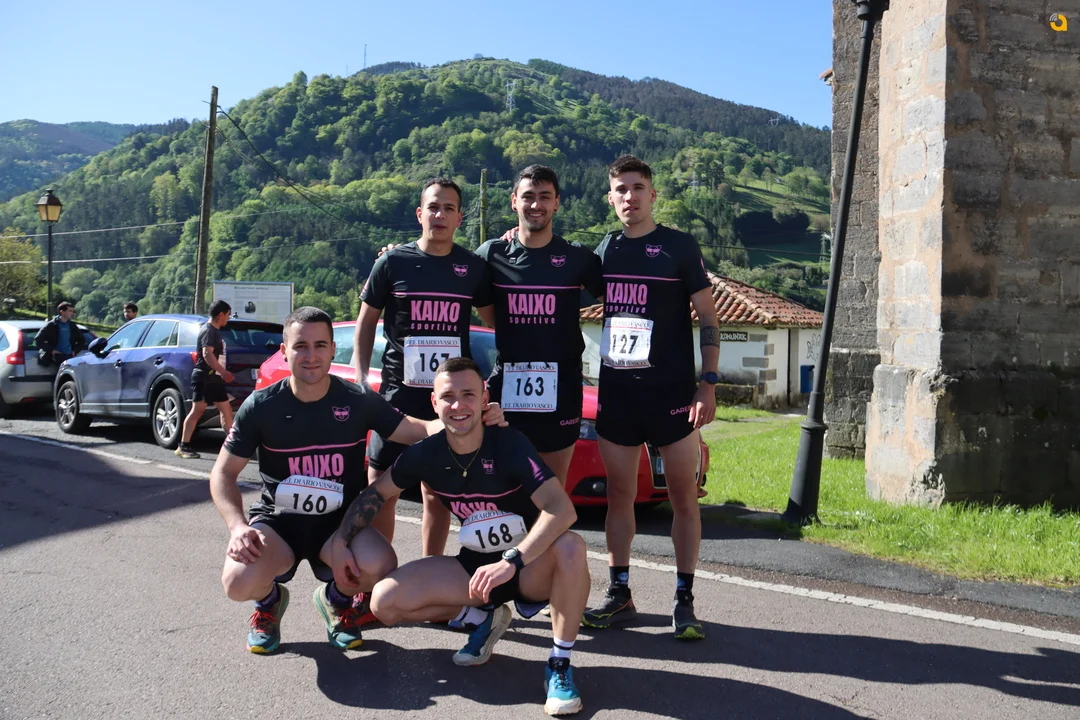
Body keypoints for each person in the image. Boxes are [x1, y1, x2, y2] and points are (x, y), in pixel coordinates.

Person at [209, 307, 506, 654]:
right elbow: (223, 473)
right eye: (301, 346)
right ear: (284, 350)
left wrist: (471, 417)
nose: (311, 355)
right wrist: (237, 527)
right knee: (237, 581)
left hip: (339, 525)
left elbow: (418, 429)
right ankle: (269, 603)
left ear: (333, 350)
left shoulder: (356, 399)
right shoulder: (260, 406)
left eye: (320, 345)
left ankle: (336, 601)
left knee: (380, 565)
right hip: (278, 523)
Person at [330, 357, 589, 716]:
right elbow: (376, 493)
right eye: (448, 397)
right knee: (384, 603)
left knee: (572, 546)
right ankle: (482, 618)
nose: (458, 405)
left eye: (468, 394)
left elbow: (562, 509)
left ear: (484, 399)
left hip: (528, 566)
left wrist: (512, 561)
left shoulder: (509, 443)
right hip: (475, 568)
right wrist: (340, 541)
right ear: (434, 403)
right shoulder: (425, 453)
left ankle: (559, 665)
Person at [582, 155, 720, 641]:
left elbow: (708, 317)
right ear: (611, 197)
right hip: (619, 394)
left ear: (652, 194)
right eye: (621, 189)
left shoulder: (679, 246)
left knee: (683, 498)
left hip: (672, 395)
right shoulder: (607, 249)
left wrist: (708, 383)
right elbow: (559, 281)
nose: (630, 197)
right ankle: (620, 592)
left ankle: (684, 599)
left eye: (638, 187)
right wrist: (513, 238)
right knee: (620, 496)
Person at [354, 177, 494, 549]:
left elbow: (499, 322)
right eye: (433, 207)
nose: (440, 215)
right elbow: (366, 323)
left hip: (449, 400)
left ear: (460, 217)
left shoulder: (472, 266)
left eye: (449, 208)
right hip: (397, 396)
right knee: (380, 489)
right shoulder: (392, 261)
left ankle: (429, 570)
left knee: (438, 492)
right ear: (420, 214)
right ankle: (378, 574)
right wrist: (360, 379)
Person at [477, 165, 604, 487]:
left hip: (562, 387)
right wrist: (394, 258)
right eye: (528, 196)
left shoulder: (577, 257)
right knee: (501, 486)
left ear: (557, 203)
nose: (536, 205)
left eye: (545, 197)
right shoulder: (492, 253)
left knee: (552, 487)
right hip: (507, 384)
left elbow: (622, 296)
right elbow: (448, 275)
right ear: (513, 201)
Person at [175, 300, 236, 459]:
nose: (228, 318)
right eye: (228, 315)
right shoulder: (208, 331)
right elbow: (207, 354)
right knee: (197, 411)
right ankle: (183, 446)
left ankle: (233, 446)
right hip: (204, 377)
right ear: (220, 315)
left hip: (214, 379)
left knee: (226, 410)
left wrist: (220, 373)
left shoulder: (215, 331)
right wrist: (223, 372)